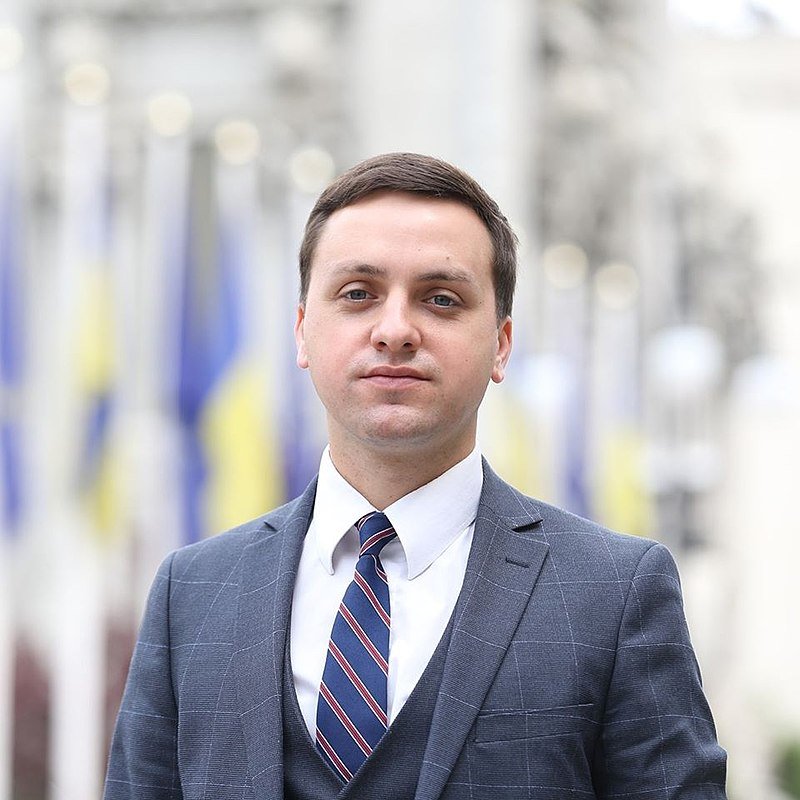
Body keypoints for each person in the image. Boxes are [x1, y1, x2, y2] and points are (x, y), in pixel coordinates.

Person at [104, 152, 727, 799]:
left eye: (440, 299)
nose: (396, 330)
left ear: (502, 345)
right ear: (302, 331)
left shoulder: (615, 593)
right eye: (358, 294)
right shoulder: (192, 593)